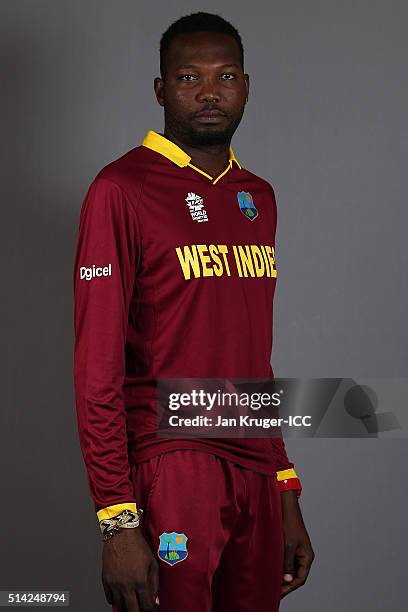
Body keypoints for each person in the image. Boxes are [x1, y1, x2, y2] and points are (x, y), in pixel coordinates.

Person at [73, 11, 314, 612]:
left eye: (225, 76)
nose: (210, 93)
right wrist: (116, 519)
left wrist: (285, 488)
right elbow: (94, 370)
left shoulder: (256, 196)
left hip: (254, 468)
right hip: (171, 464)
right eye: (188, 78)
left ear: (246, 86)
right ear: (161, 90)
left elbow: (252, 358)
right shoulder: (121, 189)